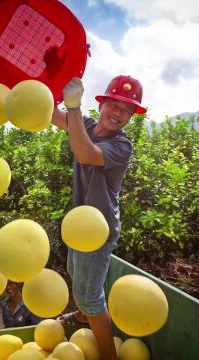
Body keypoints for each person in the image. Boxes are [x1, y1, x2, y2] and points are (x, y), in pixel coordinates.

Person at [51, 75, 146, 360]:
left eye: (126, 110)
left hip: (99, 230)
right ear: (102, 104)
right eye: (114, 105)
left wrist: (74, 107)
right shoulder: (88, 126)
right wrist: (47, 80)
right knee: (74, 270)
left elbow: (85, 152)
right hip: (79, 225)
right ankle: (82, 314)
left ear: (131, 117)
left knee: (91, 295)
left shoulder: (122, 146)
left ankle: (108, 356)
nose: (118, 114)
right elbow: (52, 114)